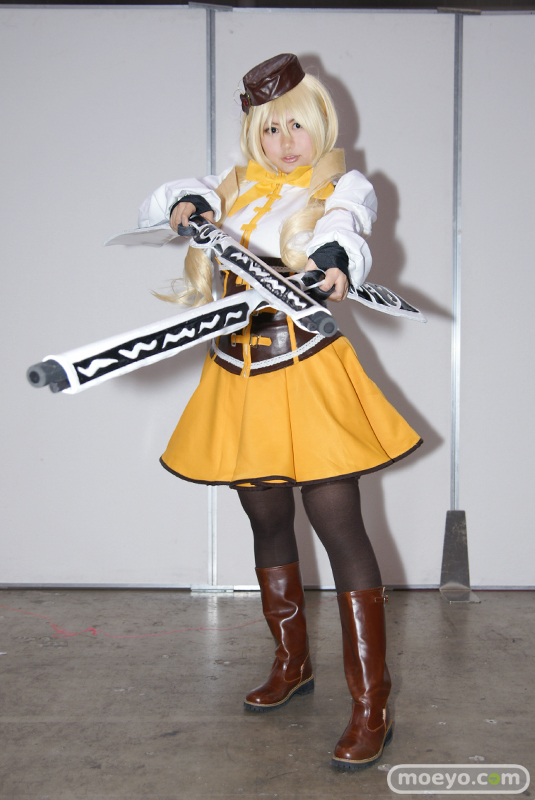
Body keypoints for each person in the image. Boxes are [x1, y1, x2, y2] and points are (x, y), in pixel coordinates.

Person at [137, 54, 422, 770]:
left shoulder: (341, 185)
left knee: (338, 524)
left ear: (319, 123)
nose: (284, 142)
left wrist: (334, 260)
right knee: (265, 518)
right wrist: (186, 206)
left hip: (308, 371)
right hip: (240, 373)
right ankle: (291, 662)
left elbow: (349, 228)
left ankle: (372, 702)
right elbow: (171, 195)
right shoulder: (233, 186)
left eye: (295, 126)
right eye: (269, 129)